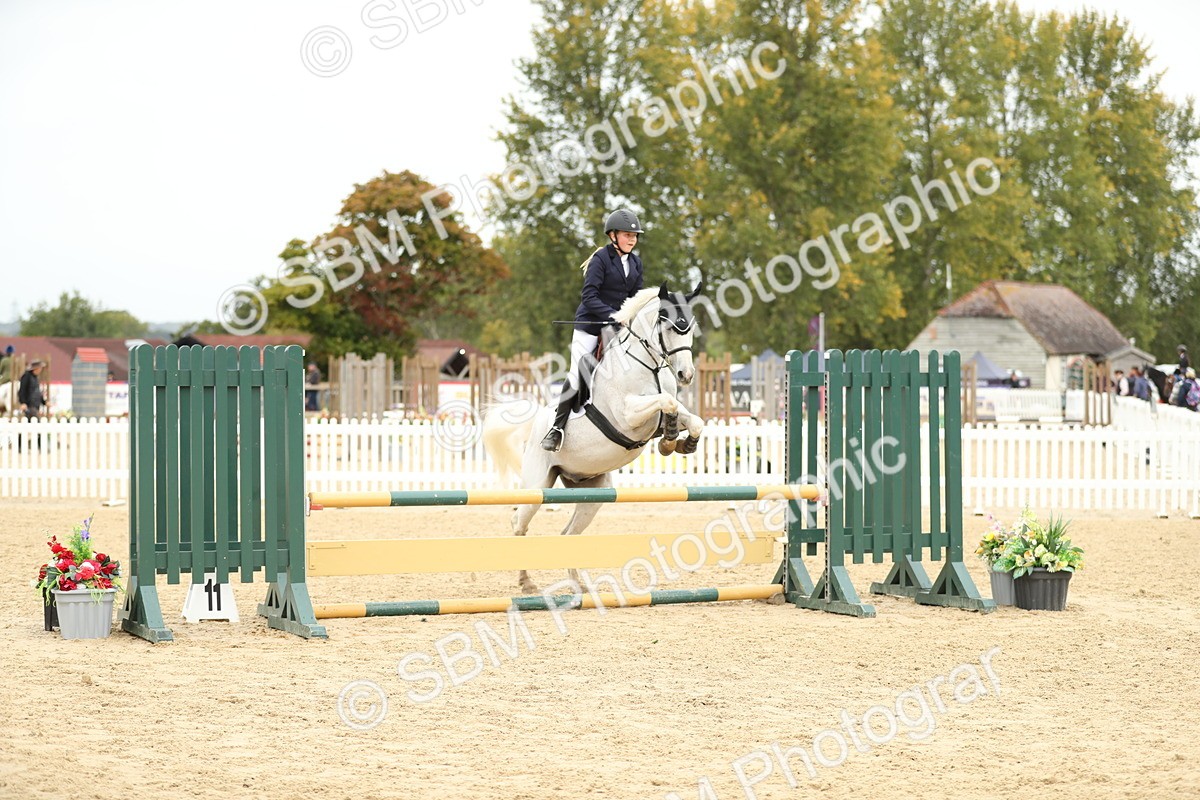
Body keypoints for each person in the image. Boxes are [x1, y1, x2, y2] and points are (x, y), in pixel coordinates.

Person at [540, 208, 646, 452]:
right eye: (627, 234)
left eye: (635, 235)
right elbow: (589, 296)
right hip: (590, 325)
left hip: (617, 327)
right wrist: (612, 316)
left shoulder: (636, 262)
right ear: (613, 236)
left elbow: (635, 297)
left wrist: (630, 317)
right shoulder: (601, 259)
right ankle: (557, 428)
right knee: (579, 371)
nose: (632, 239)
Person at [17, 359, 47, 452]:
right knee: (37, 425)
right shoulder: (26, 376)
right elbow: (22, 391)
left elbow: (38, 393)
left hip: (35, 405)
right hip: (29, 405)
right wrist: (23, 402)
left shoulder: (35, 378)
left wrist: (44, 402)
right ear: (36, 368)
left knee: (26, 426)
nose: (41, 370)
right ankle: (39, 446)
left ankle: (21, 446)